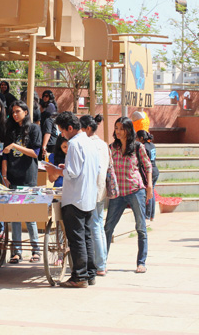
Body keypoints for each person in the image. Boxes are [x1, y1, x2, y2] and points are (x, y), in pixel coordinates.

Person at [45, 111, 99, 288]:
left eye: (62, 131)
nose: (61, 135)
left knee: (76, 238)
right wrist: (65, 167)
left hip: (76, 198)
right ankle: (90, 273)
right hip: (88, 197)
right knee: (86, 237)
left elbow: (72, 173)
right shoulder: (90, 142)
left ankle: (80, 276)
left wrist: (57, 171)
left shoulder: (75, 144)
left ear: (70, 128)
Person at [104, 117, 153, 274]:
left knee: (141, 227)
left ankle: (141, 262)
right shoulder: (112, 148)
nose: (117, 131)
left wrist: (149, 186)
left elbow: (147, 166)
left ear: (128, 130)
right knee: (108, 227)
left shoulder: (138, 147)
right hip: (117, 193)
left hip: (135, 190)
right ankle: (102, 262)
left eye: (121, 128)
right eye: (116, 128)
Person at [2, 100, 42, 263]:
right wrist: (4, 177)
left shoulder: (34, 129)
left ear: (26, 112)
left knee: (29, 216)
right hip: (12, 178)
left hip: (28, 178)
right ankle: (16, 251)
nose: (15, 114)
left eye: (18, 111)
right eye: (13, 112)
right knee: (15, 216)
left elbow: (35, 153)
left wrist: (15, 146)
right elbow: (4, 155)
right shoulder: (10, 130)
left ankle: (35, 250)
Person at [79, 114, 111, 277]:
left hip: (90, 190)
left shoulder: (87, 144)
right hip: (101, 189)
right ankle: (102, 262)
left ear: (87, 129)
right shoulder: (103, 145)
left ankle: (100, 263)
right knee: (98, 224)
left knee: (95, 226)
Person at [136, 130, 160, 220]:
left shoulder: (143, 147)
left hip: (149, 172)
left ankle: (147, 215)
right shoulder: (152, 145)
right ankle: (152, 215)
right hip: (155, 170)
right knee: (151, 192)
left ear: (141, 138)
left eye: (137, 138)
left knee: (148, 193)